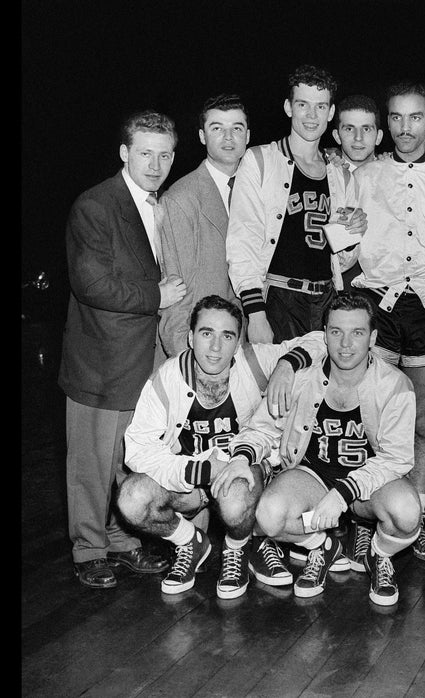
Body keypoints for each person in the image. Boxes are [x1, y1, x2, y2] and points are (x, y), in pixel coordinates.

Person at [119, 295, 325, 598]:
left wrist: (286, 364)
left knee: (234, 499)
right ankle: (190, 542)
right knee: (131, 499)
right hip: (191, 479)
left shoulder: (253, 361)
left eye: (227, 336)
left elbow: (319, 340)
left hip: (245, 472)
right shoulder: (167, 379)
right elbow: (138, 449)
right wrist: (201, 469)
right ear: (190, 337)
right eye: (206, 333)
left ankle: (237, 550)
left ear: (237, 340)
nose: (216, 347)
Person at [59, 110, 185, 588]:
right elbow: (91, 283)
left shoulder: (158, 204)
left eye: (165, 155)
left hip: (143, 362)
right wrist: (157, 297)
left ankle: (120, 540)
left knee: (126, 460)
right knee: (91, 464)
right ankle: (89, 549)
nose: (155, 164)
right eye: (145, 153)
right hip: (101, 362)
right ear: (124, 153)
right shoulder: (96, 204)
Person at [230, 291, 420, 604]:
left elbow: (397, 458)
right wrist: (241, 458)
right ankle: (321, 545)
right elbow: (262, 428)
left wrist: (345, 492)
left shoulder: (395, 384)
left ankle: (379, 553)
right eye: (336, 332)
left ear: (372, 337)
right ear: (325, 335)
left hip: (368, 487)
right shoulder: (300, 377)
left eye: (357, 333)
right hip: (313, 481)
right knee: (270, 515)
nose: (346, 345)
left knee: (407, 513)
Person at [350, 82, 425, 564]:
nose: (405, 128)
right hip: (378, 305)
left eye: (415, 118)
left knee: (422, 422)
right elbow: (344, 239)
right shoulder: (366, 173)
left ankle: (415, 517)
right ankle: (364, 516)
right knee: (371, 420)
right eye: (396, 118)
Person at [226, 64, 367, 345]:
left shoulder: (340, 174)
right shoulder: (260, 161)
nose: (311, 116)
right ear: (289, 107)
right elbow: (242, 243)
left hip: (327, 300)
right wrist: (256, 313)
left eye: (320, 107)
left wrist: (352, 236)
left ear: (330, 112)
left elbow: (343, 260)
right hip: (278, 299)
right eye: (303, 105)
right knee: (276, 387)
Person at [158, 94, 251, 357]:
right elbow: (175, 299)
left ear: (248, 135)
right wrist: (187, 365)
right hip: (205, 352)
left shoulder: (258, 190)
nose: (228, 137)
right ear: (202, 136)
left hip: (249, 345)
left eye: (237, 128)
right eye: (217, 128)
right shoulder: (181, 199)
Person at [329, 94, 383, 171]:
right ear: (337, 136)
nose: (358, 137)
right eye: (349, 129)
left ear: (378, 137)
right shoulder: (324, 172)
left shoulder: (395, 175)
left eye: (366, 129)